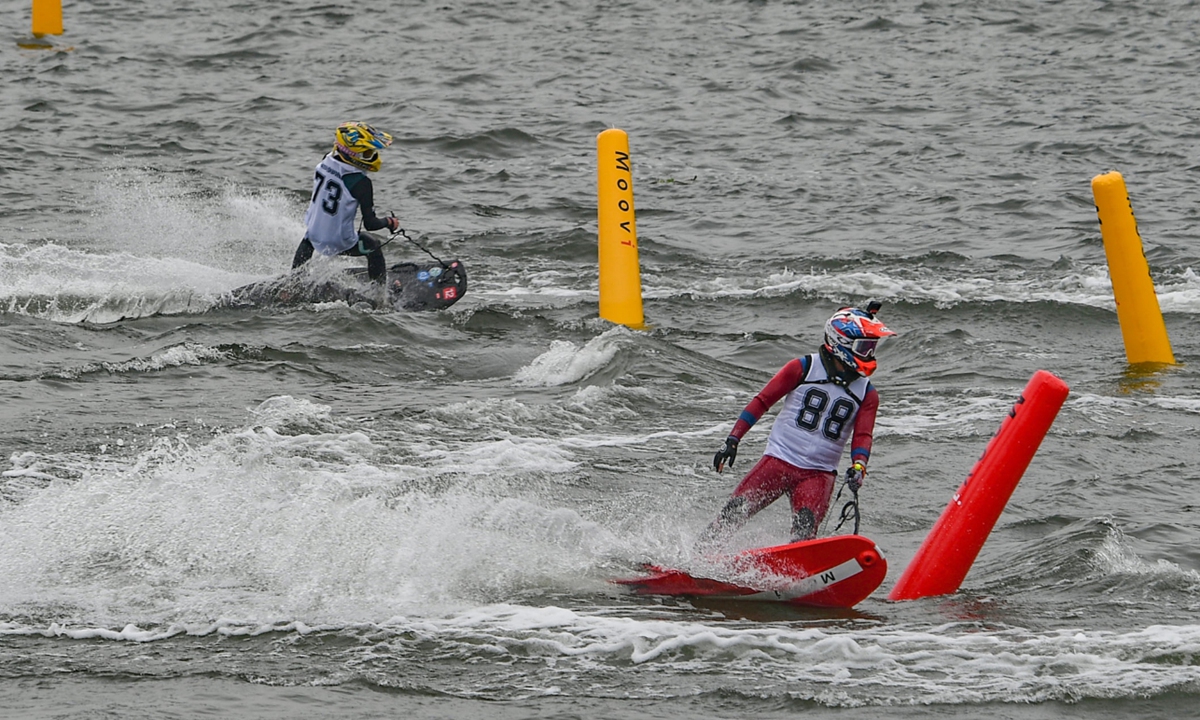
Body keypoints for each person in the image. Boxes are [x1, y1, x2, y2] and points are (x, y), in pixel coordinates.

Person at [696, 303, 896, 551]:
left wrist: (859, 467)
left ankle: (795, 579)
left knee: (804, 530)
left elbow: (863, 436)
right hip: (779, 460)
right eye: (864, 347)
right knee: (734, 512)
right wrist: (733, 440)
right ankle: (697, 558)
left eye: (871, 347)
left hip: (818, 474)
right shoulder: (803, 368)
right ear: (841, 342)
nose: (869, 354)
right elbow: (762, 401)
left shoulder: (867, 394)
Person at [292, 121, 401, 283]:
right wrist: (389, 222)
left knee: (310, 237)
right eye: (367, 153)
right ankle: (379, 295)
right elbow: (370, 224)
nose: (372, 156)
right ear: (353, 155)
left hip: (314, 233)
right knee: (373, 245)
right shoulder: (361, 182)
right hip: (339, 241)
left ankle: (294, 281)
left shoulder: (325, 161)